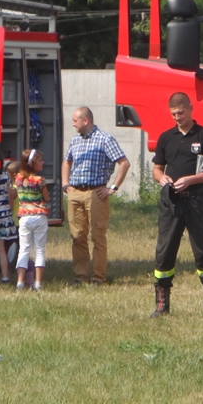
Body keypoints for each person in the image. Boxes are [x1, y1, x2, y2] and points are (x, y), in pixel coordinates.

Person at [150, 92, 203, 317]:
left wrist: (192, 179)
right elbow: (156, 168)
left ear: (191, 108)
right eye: (173, 114)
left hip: (197, 200)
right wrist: (162, 178)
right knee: (165, 250)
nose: (177, 117)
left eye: (181, 113)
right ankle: (162, 305)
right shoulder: (166, 137)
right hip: (171, 202)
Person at [61, 107, 130, 285]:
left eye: (75, 120)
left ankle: (98, 277)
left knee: (97, 236)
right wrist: (65, 183)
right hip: (75, 192)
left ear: (85, 120)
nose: (72, 124)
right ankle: (80, 276)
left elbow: (124, 163)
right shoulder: (75, 141)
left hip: (96, 193)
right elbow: (67, 161)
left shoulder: (105, 139)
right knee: (77, 236)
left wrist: (112, 188)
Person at [14, 149, 49, 291]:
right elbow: (46, 198)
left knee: (24, 250)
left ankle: (20, 283)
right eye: (40, 160)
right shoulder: (40, 180)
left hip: (24, 217)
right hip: (39, 216)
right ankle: (38, 283)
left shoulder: (18, 179)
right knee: (39, 250)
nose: (42, 163)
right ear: (33, 164)